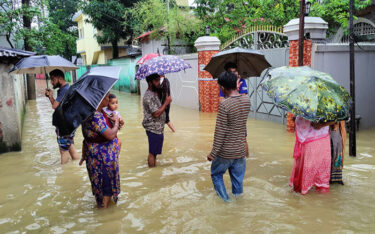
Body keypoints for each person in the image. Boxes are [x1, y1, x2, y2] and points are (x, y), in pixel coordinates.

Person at [207, 72, 251, 202]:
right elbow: (241, 125)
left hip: (225, 152)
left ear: (223, 88)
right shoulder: (246, 101)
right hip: (240, 151)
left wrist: (213, 153)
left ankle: (226, 201)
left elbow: (220, 132)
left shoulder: (225, 105)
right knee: (238, 180)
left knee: (216, 175)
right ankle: (238, 202)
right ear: (236, 84)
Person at [79, 92, 121, 208]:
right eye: (107, 97)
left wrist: (115, 124)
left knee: (101, 189)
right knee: (105, 190)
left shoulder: (94, 112)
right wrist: (116, 121)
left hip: (96, 156)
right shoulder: (95, 116)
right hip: (102, 159)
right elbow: (111, 135)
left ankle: (104, 216)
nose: (108, 99)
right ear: (99, 98)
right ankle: (104, 217)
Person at [45, 69, 79, 164]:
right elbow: (58, 107)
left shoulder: (64, 90)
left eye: (53, 79)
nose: (51, 82)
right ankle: (77, 167)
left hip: (64, 126)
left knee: (63, 151)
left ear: (60, 79)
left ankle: (64, 173)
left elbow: (55, 106)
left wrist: (50, 96)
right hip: (68, 125)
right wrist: (50, 97)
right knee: (70, 146)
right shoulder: (65, 89)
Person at [289, 117, 332, 194]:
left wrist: (321, 125)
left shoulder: (328, 107)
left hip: (316, 137)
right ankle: (306, 188)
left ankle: (305, 188)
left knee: (314, 166)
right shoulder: (302, 107)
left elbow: (336, 119)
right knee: (311, 166)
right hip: (309, 137)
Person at [143, 73, 172, 167]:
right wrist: (166, 103)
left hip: (158, 128)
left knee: (154, 152)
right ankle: (152, 171)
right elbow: (156, 114)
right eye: (156, 81)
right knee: (152, 153)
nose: (159, 83)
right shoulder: (148, 96)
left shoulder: (154, 93)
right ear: (150, 83)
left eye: (159, 80)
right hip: (153, 128)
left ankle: (152, 169)